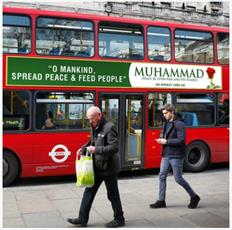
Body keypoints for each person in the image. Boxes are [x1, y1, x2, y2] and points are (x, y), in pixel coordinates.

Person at [67, 106, 125, 228]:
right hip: (97, 165)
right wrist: (83, 148)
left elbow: (114, 147)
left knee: (112, 194)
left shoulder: (110, 127)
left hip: (109, 168)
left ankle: (119, 219)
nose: (90, 122)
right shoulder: (95, 125)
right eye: (89, 119)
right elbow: (92, 141)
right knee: (88, 191)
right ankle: (82, 219)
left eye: (92, 119)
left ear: (99, 115)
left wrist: (96, 150)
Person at [150, 104, 200, 209]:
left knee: (178, 179)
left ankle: (194, 196)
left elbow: (181, 141)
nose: (164, 115)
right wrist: (160, 139)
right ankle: (161, 200)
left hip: (176, 156)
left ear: (172, 112)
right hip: (166, 154)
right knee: (162, 176)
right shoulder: (166, 123)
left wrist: (166, 141)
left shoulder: (179, 124)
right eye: (163, 113)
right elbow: (165, 135)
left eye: (166, 113)